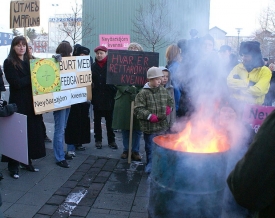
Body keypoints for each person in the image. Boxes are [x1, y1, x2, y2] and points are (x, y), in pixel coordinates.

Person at [3, 36, 46, 178]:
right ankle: (13, 166)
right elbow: (16, 83)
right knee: (17, 134)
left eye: (24, 45)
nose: (21, 47)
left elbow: (46, 67)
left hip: (32, 102)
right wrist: (33, 76)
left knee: (31, 133)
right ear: (13, 47)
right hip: (19, 103)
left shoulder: (31, 60)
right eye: (18, 45)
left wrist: (57, 59)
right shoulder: (9, 62)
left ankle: (27, 161)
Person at [227, 109, 275, 218]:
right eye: (222, 111)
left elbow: (245, 190)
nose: (226, 115)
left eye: (229, 111)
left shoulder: (245, 130)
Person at [134, 67, 174, 173]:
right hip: (150, 128)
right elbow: (138, 109)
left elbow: (170, 101)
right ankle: (151, 167)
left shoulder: (163, 91)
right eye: (157, 79)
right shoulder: (143, 93)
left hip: (162, 126)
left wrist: (169, 108)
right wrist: (149, 116)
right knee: (150, 148)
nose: (160, 81)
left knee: (163, 147)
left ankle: (161, 166)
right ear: (150, 80)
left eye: (160, 79)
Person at [112, 42, 143, 160]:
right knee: (125, 127)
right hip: (124, 98)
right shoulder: (121, 64)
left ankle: (135, 150)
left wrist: (138, 90)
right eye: (132, 50)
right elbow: (115, 79)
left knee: (137, 127)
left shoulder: (144, 66)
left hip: (139, 98)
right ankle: (126, 149)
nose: (134, 52)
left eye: (136, 50)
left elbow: (147, 79)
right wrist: (127, 88)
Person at [65, 46, 91, 156]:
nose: (83, 58)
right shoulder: (70, 64)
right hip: (73, 100)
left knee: (82, 122)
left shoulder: (88, 64)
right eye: (82, 55)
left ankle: (79, 143)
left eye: (85, 56)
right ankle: (71, 146)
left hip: (84, 99)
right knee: (72, 123)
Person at [227, 41, 272, 106]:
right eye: (243, 55)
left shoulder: (265, 71)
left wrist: (239, 90)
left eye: (246, 56)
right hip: (235, 105)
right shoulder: (238, 67)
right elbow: (229, 82)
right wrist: (248, 83)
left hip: (254, 109)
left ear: (255, 57)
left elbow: (259, 90)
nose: (243, 58)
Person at [91, 45, 117, 149]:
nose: (99, 55)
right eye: (97, 53)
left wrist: (113, 90)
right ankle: (98, 140)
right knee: (97, 121)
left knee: (110, 121)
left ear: (105, 54)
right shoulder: (92, 66)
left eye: (101, 53)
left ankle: (111, 140)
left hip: (109, 98)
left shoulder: (112, 65)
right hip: (96, 97)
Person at [53, 42, 73, 168]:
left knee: (62, 127)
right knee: (59, 129)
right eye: (69, 53)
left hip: (67, 99)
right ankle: (59, 156)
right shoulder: (55, 62)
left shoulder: (69, 63)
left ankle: (60, 153)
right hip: (60, 100)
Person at [28, 45, 52, 143]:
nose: (28, 50)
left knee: (39, 117)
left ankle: (43, 135)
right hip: (29, 94)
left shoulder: (36, 60)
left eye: (30, 48)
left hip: (38, 93)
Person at [165, 44, 181, 115]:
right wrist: (177, 106)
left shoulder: (170, 66)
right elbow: (176, 88)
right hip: (175, 102)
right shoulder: (176, 67)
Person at [159, 66, 176, 131]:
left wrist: (172, 124)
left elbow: (173, 107)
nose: (165, 78)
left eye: (167, 76)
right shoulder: (154, 89)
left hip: (166, 123)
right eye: (163, 76)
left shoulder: (170, 89)